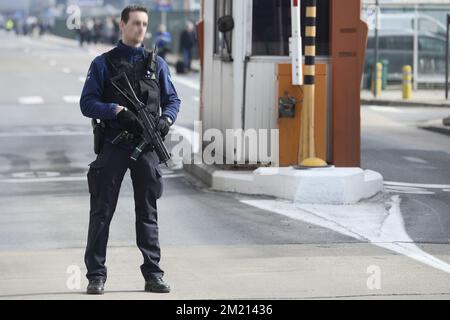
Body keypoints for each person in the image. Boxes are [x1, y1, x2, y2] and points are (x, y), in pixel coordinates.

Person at [79, 5, 181, 295]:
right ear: (122, 25)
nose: (140, 29)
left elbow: (173, 100)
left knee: (147, 212)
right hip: (114, 143)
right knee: (101, 212)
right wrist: (115, 110)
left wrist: (166, 119)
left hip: (146, 147)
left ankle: (153, 274)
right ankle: (95, 275)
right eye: (135, 23)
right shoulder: (103, 64)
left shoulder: (156, 64)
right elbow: (87, 103)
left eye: (144, 24)